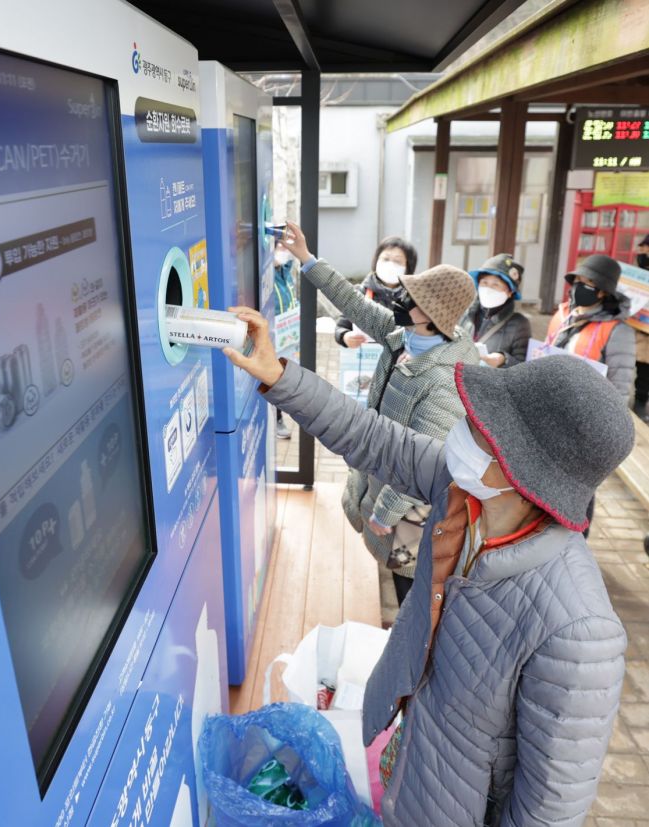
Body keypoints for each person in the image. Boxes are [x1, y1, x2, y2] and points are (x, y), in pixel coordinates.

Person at [224, 306, 633, 827]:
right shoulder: (462, 491)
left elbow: (552, 806)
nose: (465, 429)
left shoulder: (581, 630)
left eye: (485, 428)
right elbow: (371, 437)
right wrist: (280, 376)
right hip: (405, 753)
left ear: (525, 469)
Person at [287, 221, 478, 607]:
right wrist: (306, 259)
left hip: (414, 505)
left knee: (412, 580)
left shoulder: (444, 381)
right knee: (395, 570)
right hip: (386, 472)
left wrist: (386, 513)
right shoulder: (403, 334)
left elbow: (423, 461)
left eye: (413, 297)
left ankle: (413, 647)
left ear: (434, 315)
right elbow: (353, 303)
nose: (403, 299)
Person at [546, 253, 636, 402]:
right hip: (550, 400)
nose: (577, 287)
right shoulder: (562, 314)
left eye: (586, 282)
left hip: (586, 409)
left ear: (602, 292)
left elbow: (620, 387)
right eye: (576, 280)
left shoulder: (619, 331)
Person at [334, 237, 417, 348]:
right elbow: (341, 327)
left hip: (402, 362)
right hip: (364, 360)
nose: (390, 265)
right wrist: (345, 336)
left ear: (408, 267)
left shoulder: (415, 298)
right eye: (385, 259)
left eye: (397, 261)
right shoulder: (359, 293)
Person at [460, 253, 531, 367]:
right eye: (484, 283)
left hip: (490, 382)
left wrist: (503, 360)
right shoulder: (465, 312)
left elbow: (523, 366)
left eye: (495, 285)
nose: (488, 289)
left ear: (510, 292)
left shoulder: (519, 324)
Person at [273, 241, 299, 439]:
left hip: (286, 338)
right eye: (278, 247)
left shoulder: (286, 272)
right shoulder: (264, 274)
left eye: (285, 248)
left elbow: (292, 301)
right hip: (271, 339)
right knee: (274, 379)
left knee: (283, 376)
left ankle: (278, 415)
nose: (283, 252)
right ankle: (277, 418)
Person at [633, 234, 649, 422]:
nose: (643, 252)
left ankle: (641, 403)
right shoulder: (637, 272)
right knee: (641, 371)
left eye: (646, 248)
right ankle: (639, 402)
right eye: (642, 248)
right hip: (636, 330)